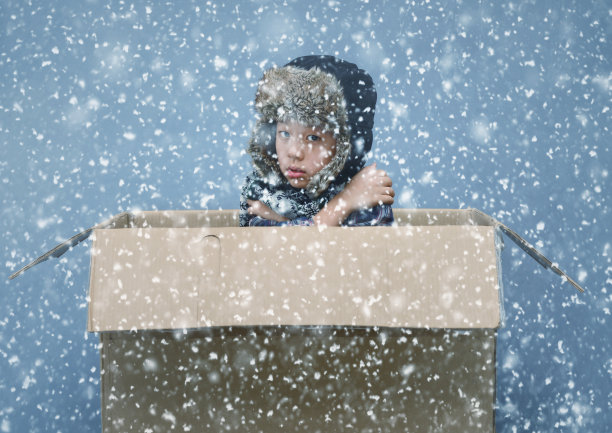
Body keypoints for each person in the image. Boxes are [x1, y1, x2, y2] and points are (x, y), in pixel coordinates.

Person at [240, 55, 394, 227]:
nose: (294, 152)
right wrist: (344, 204)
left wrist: (347, 198)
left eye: (313, 138)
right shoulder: (266, 191)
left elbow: (336, 252)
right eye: (284, 134)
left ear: (344, 147)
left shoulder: (365, 192)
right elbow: (271, 249)